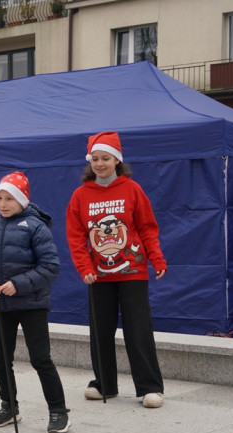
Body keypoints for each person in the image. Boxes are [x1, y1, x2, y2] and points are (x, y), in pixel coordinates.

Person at [65, 131, 167, 408]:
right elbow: (75, 236)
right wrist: (84, 267)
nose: (100, 164)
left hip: (133, 272)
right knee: (101, 330)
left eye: (105, 158)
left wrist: (157, 259)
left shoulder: (132, 189)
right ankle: (104, 385)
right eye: (95, 159)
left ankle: (150, 387)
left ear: (117, 160)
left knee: (138, 330)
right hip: (97, 275)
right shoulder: (80, 195)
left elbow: (147, 227)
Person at [0, 171, 69, 433]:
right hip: (1, 306)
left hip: (33, 303)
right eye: (0, 198)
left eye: (9, 198)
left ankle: (58, 411)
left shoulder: (36, 227)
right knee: (0, 360)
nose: (3, 203)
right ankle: (9, 405)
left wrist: (19, 284)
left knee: (41, 359)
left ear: (22, 201)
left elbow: (50, 266)